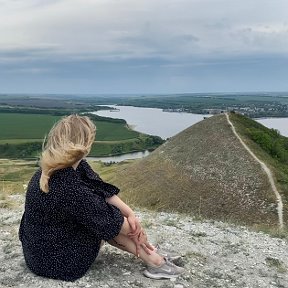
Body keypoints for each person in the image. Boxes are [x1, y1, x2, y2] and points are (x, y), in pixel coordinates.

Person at [19, 114, 184, 281]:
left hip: (44, 248)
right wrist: (139, 232)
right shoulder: (66, 186)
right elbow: (113, 221)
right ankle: (156, 261)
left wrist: (131, 213)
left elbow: (101, 190)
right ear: (85, 144)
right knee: (105, 222)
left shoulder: (67, 166)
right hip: (54, 261)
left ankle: (152, 253)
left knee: (106, 218)